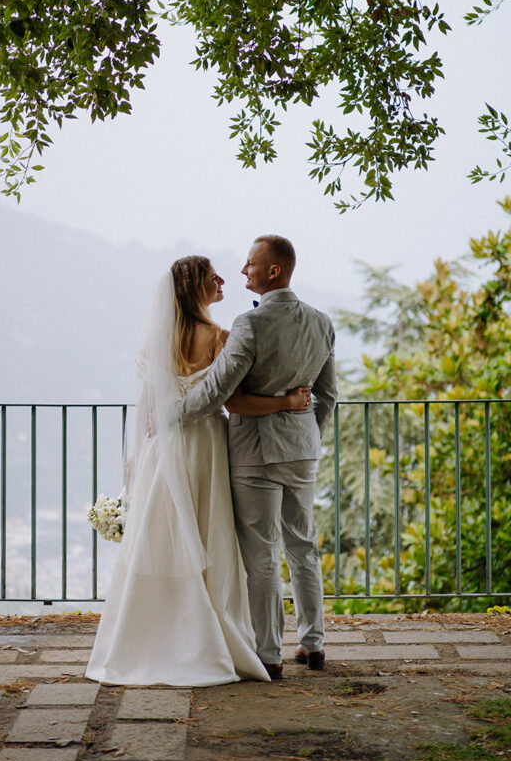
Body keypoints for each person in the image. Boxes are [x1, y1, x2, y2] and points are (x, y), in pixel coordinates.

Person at [85, 255, 311, 687]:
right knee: (211, 537)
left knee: (163, 538)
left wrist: (137, 457)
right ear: (196, 288)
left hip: (162, 450)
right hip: (207, 445)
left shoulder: (157, 343)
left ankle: (151, 638)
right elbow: (234, 402)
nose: (223, 279)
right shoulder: (219, 338)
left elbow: (151, 409)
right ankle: (209, 638)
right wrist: (287, 402)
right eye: (213, 277)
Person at [179, 235, 336, 680]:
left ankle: (269, 654)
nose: (243, 270)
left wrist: (172, 416)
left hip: (254, 455)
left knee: (262, 555)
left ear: (272, 271)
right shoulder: (321, 322)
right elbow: (328, 395)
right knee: (303, 546)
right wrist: (307, 436)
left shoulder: (250, 325)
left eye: (250, 264)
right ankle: (314, 644)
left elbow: (218, 390)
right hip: (302, 452)